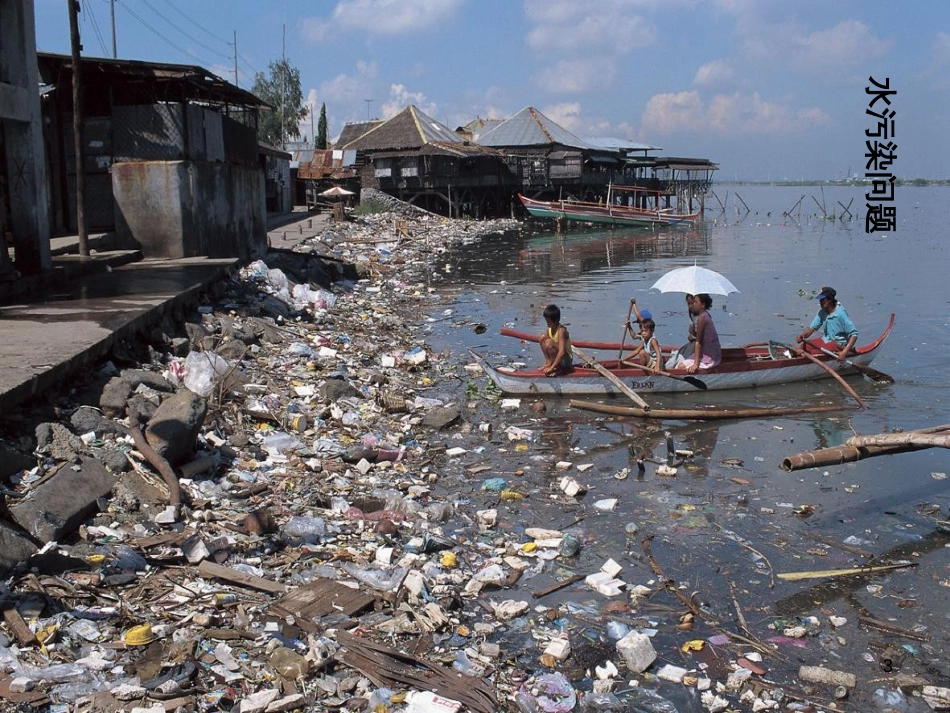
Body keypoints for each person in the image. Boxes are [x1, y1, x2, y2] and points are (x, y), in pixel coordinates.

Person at [795, 286, 857, 359]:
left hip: (838, 343)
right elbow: (811, 328)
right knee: (803, 347)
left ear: (830, 299)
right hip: (826, 340)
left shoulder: (841, 314)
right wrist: (802, 336)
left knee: (815, 353)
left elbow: (854, 334)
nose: (820, 302)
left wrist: (844, 352)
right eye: (820, 300)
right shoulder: (822, 312)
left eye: (822, 300)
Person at [679, 293, 721, 373]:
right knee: (681, 365)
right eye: (690, 303)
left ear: (703, 304)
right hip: (707, 352)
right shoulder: (705, 315)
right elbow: (699, 336)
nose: (692, 305)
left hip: (709, 357)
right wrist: (693, 332)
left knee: (681, 367)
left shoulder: (701, 318)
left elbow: (698, 342)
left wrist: (695, 364)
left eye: (695, 302)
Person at [539, 304, 572, 376]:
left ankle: (557, 368)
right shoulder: (549, 329)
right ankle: (548, 362)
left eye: (549, 322)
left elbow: (562, 352)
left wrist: (552, 367)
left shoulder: (561, 330)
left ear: (556, 320)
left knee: (549, 343)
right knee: (542, 337)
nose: (547, 323)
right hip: (557, 357)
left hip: (566, 360)